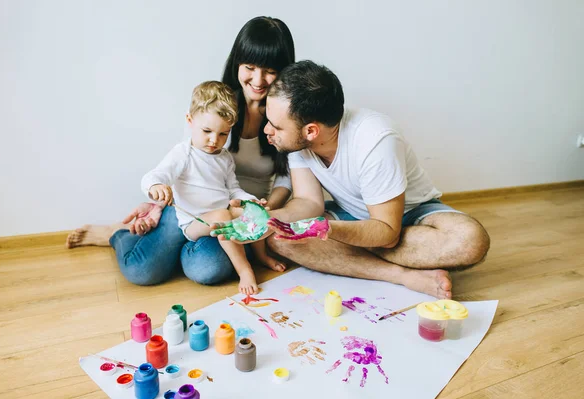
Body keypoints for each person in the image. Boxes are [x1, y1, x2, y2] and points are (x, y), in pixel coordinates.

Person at [213, 60, 491, 299]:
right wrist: (270, 220)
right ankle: (400, 274)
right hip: (353, 217)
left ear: (311, 131)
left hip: (409, 215)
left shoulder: (375, 139)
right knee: (280, 238)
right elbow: (308, 202)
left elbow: (386, 232)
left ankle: (363, 258)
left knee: (469, 240)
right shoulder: (296, 141)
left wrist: (330, 232)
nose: (267, 131)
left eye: (275, 126)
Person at [66, 16, 295, 286]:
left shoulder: (286, 115)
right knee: (143, 271)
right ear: (237, 65)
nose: (258, 80)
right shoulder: (215, 106)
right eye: (250, 67)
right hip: (188, 210)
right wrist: (158, 201)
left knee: (209, 268)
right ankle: (118, 234)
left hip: (231, 215)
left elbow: (283, 177)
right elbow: (182, 162)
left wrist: (260, 210)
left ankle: (178, 250)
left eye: (269, 70)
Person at [142, 81, 267, 295]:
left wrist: (250, 200)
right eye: (207, 131)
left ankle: (264, 256)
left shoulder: (225, 158)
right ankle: (245, 270)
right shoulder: (183, 153)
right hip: (194, 222)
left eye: (222, 134)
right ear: (190, 121)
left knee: (253, 212)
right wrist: (156, 185)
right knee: (223, 215)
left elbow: (233, 189)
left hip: (221, 217)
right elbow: (154, 175)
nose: (213, 140)